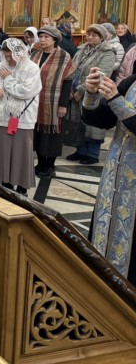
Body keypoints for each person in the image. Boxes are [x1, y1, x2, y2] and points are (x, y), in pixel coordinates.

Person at [81, 68, 136, 285]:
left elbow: (118, 105)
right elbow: (103, 119)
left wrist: (116, 99)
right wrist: (91, 93)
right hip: (115, 175)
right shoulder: (131, 81)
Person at [0, 38, 42, 195]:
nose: (9, 59)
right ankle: (4, 184)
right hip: (0, 117)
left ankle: (22, 187)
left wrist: (8, 79)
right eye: (6, 55)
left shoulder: (32, 68)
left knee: (20, 154)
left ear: (20, 53)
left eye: (12, 56)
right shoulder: (1, 66)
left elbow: (25, 91)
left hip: (21, 119)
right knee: (1, 153)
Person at [65, 24, 116, 164]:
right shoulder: (82, 49)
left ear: (101, 38)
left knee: (92, 125)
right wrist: (70, 88)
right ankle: (80, 150)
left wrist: (82, 89)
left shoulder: (107, 52)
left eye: (94, 35)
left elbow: (102, 73)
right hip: (75, 91)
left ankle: (92, 154)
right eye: (88, 35)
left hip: (94, 93)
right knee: (79, 122)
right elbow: (72, 68)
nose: (89, 37)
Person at [30, 26, 75, 179]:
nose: (42, 40)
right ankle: (40, 163)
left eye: (46, 37)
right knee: (38, 134)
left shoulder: (64, 56)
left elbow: (68, 82)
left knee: (51, 136)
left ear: (55, 40)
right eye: (41, 37)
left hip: (54, 103)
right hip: (35, 101)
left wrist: (63, 105)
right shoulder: (35, 54)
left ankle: (49, 166)